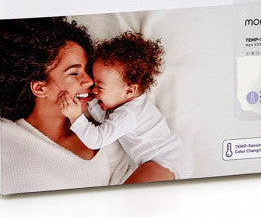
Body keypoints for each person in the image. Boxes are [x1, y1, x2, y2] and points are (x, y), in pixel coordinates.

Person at [0, 17, 176, 194]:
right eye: (74, 73)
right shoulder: (3, 135)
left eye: (87, 70)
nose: (90, 81)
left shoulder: (109, 126)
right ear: (39, 88)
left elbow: (160, 175)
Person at [58, 32, 192, 181]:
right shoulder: (127, 103)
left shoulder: (130, 114)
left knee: (127, 194)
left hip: (164, 160)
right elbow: (105, 119)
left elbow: (97, 139)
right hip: (170, 158)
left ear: (129, 90)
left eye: (99, 87)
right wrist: (90, 100)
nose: (93, 90)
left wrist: (76, 117)